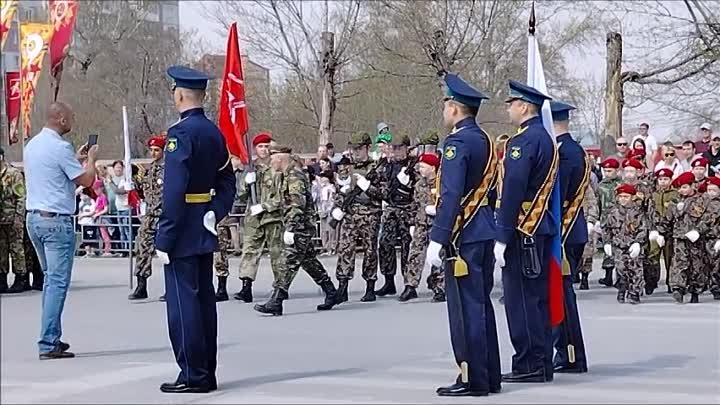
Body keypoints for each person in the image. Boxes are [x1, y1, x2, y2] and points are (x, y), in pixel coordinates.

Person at [155, 66, 235, 393]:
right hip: (204, 224)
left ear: (179, 95)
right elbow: (228, 180)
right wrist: (215, 212)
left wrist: (165, 235)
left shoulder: (181, 135)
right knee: (204, 303)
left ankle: (193, 374)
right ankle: (207, 371)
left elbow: (174, 191)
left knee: (182, 304)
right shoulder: (215, 133)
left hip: (183, 226)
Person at [425, 73, 500, 396]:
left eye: (446, 106)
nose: (443, 112)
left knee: (465, 309)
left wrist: (438, 238)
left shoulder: (456, 143)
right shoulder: (485, 139)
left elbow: (452, 194)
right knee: (482, 305)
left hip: (464, 236)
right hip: (483, 228)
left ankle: (472, 377)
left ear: (455, 109)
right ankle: (490, 375)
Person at [24, 102, 98, 359]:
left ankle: (51, 333)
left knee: (49, 280)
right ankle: (48, 341)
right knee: (57, 282)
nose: (72, 121)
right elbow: (86, 180)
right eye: (70, 117)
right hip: (56, 221)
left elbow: (54, 172)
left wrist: (75, 160)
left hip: (34, 218)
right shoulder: (59, 147)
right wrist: (91, 160)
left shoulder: (32, 145)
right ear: (61, 119)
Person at [495, 80, 557, 383]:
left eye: (512, 104)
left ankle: (528, 362)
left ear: (524, 106)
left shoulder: (523, 142)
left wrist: (502, 234)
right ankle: (541, 361)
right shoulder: (544, 138)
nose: (509, 109)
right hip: (539, 226)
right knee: (536, 298)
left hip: (523, 229)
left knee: (521, 300)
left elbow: (513, 191)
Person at [253, 145, 339, 315]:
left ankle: (277, 300)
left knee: (288, 262)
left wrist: (291, 228)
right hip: (298, 225)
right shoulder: (287, 175)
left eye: (273, 159)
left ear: (280, 159)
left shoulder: (294, 176)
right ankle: (331, 292)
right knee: (309, 262)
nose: (271, 162)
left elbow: (296, 204)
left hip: (300, 226)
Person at [549, 101, 589, 373]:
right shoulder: (571, 149)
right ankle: (566, 352)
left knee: (562, 297)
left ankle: (570, 354)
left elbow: (556, 196)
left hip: (566, 230)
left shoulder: (566, 153)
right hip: (569, 231)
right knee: (560, 295)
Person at [331, 131, 383, 302]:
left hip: (370, 213)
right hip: (350, 214)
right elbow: (338, 190)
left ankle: (370, 286)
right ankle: (342, 286)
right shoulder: (346, 166)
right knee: (345, 248)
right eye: (353, 149)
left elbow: (384, 193)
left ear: (368, 147)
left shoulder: (377, 167)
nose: (356, 152)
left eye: (359, 148)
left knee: (370, 250)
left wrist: (368, 187)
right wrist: (339, 205)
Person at [234, 132, 278, 303]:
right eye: (261, 147)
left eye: (267, 146)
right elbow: (240, 196)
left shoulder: (276, 167)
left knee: (276, 252)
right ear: (255, 149)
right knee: (250, 250)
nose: (264, 150)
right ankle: (246, 287)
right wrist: (246, 182)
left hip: (272, 216)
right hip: (253, 217)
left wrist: (266, 206)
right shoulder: (250, 168)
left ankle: (280, 286)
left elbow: (282, 194)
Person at [654, 172, 706, 304]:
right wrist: (660, 233)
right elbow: (667, 220)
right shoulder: (675, 202)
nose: (682, 191)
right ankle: (678, 288)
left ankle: (695, 291)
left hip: (696, 240)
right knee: (678, 263)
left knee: (696, 265)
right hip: (679, 238)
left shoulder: (701, 200)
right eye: (680, 188)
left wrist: (699, 231)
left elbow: (707, 220)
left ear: (692, 186)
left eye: (684, 187)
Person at [377, 134, 415, 298]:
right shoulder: (387, 165)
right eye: (394, 148)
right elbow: (382, 184)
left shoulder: (413, 165)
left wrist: (410, 183)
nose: (396, 151)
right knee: (385, 243)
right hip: (391, 207)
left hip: (407, 208)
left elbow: (420, 188)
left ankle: (409, 284)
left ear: (407, 148)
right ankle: (389, 281)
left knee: (408, 247)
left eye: (400, 147)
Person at [403, 153, 444, 302]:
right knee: (415, 254)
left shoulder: (442, 183)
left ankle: (439, 287)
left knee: (438, 256)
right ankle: (410, 286)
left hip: (437, 224)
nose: (420, 169)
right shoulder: (420, 184)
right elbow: (414, 204)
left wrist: (437, 209)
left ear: (432, 168)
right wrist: (412, 223)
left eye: (423, 166)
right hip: (421, 224)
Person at [128, 135, 166, 300]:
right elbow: (143, 192)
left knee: (167, 252)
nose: (153, 153)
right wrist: (133, 184)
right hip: (150, 214)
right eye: (151, 150)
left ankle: (171, 288)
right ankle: (141, 285)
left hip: (165, 214)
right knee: (142, 248)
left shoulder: (169, 169)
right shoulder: (148, 170)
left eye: (157, 150)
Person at [647, 168, 679, 294]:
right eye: (660, 179)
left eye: (666, 179)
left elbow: (675, 213)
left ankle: (671, 283)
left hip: (670, 231)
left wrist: (666, 227)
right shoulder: (653, 195)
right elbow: (650, 212)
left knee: (670, 257)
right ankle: (651, 282)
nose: (663, 182)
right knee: (653, 256)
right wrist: (654, 229)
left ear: (670, 180)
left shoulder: (675, 195)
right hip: (656, 231)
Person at [0, 146, 27, 294]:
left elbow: (21, 198)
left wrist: (19, 217)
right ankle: (2, 278)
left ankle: (20, 278)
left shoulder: (13, 174)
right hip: (1, 220)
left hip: (12, 218)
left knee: (17, 249)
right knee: (1, 251)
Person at [702, 177, 720, 300]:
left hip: (716, 237)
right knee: (706, 263)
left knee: (716, 264)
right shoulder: (702, 202)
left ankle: (716, 288)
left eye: (714, 190)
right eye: (709, 190)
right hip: (704, 236)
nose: (711, 193)